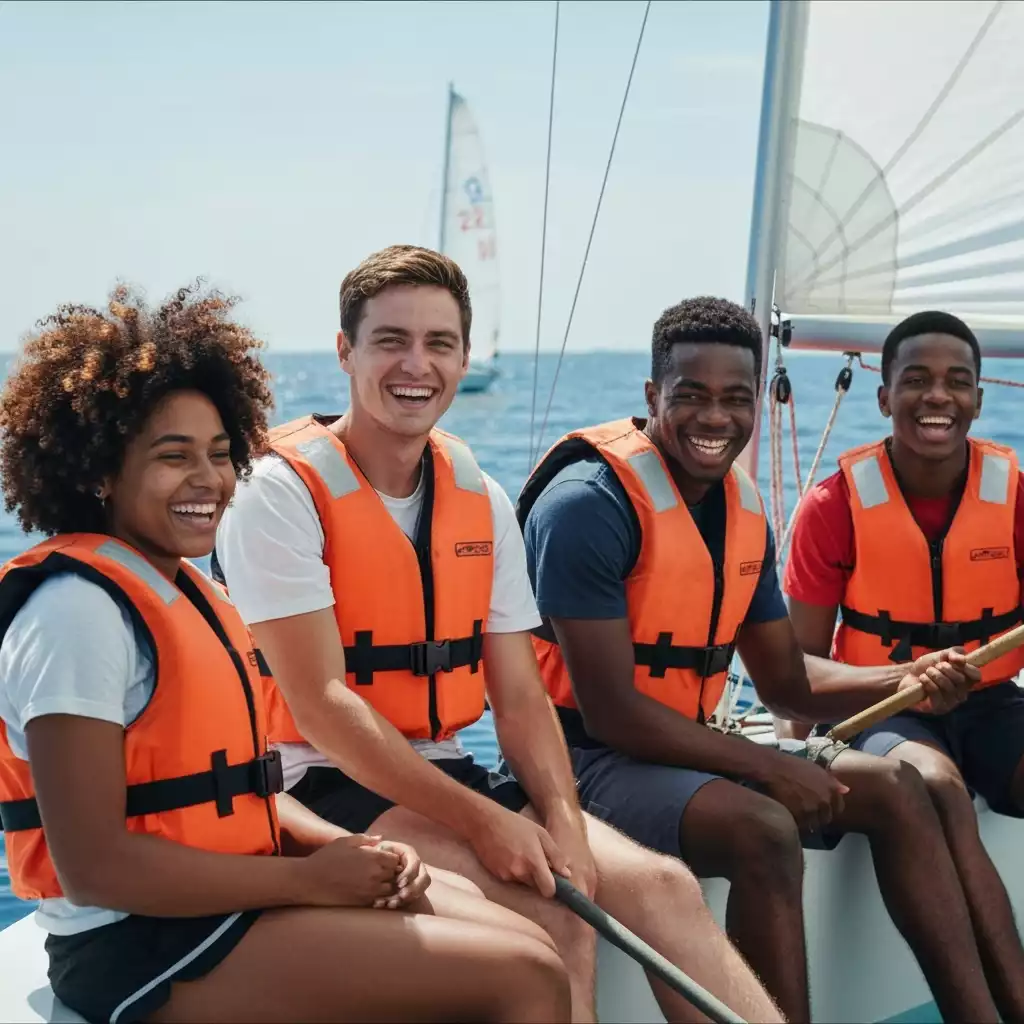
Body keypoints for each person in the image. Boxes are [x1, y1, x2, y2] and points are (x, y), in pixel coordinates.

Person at [214, 244, 783, 1024]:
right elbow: (319, 706)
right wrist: (485, 822)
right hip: (315, 786)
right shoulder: (277, 494)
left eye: (439, 343)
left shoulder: (478, 498)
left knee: (664, 887)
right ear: (345, 350)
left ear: (465, 357)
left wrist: (563, 819)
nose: (417, 365)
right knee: (554, 922)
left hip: (447, 771)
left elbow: (519, 697)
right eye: (391, 341)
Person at [0, 282, 571, 1024]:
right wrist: (311, 882)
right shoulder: (77, 613)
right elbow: (94, 867)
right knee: (526, 974)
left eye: (219, 454)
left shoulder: (195, 596)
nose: (206, 479)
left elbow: (241, 790)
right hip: (136, 945)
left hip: (225, 901)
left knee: (518, 929)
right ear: (98, 472)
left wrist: (347, 852)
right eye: (172, 457)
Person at [516, 295, 1005, 1024]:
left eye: (736, 398)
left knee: (898, 789)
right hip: (583, 762)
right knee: (764, 830)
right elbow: (611, 714)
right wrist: (768, 766)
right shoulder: (586, 506)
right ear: (652, 395)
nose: (716, 418)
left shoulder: (738, 505)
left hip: (683, 749)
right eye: (692, 395)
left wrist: (905, 679)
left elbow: (787, 682)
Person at [781, 309, 1024, 1022]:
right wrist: (801, 746)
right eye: (915, 380)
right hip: (882, 712)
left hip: (991, 704)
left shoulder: (1015, 497)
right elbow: (797, 667)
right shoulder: (833, 506)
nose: (936, 396)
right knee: (936, 785)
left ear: (979, 397)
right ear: (884, 396)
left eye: (956, 381)